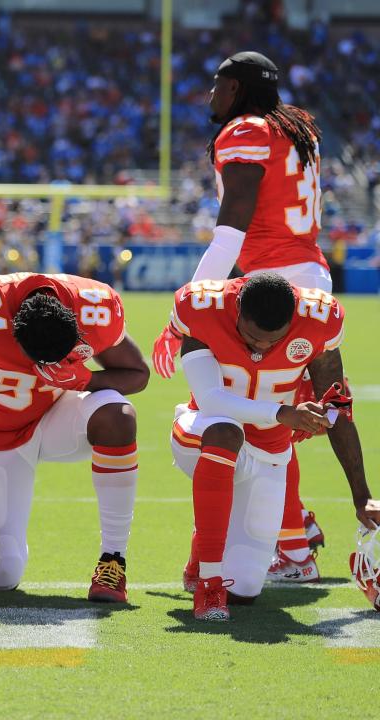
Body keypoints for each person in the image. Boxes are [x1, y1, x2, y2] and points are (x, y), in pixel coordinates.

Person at [151, 51, 331, 581]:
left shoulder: (247, 128)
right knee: (277, 419)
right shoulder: (294, 126)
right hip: (308, 278)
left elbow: (232, 227)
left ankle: (293, 550)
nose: (211, 95)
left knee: (251, 419)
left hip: (269, 288)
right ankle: (295, 531)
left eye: (218, 85)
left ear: (237, 89)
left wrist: (190, 304)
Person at [168, 272, 379, 620]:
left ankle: (201, 550)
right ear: (236, 310)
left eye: (273, 340)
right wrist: (282, 413)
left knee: (247, 589)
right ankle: (208, 584)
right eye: (251, 337)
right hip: (201, 432)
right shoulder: (203, 307)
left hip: (269, 450)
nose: (261, 348)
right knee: (225, 432)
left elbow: (338, 410)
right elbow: (210, 399)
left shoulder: (318, 322)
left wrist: (362, 495)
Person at [0, 272, 149, 602]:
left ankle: (112, 561)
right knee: (3, 572)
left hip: (55, 416)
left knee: (117, 417)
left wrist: (85, 379)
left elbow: (138, 375)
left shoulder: (95, 307)